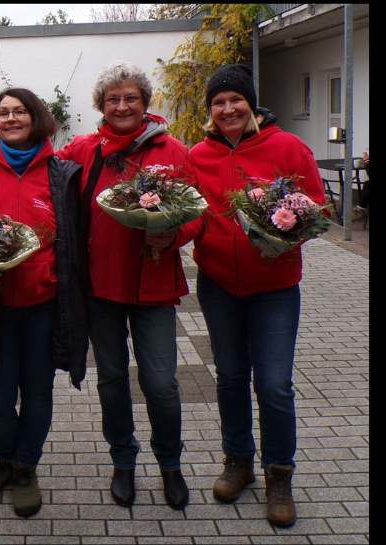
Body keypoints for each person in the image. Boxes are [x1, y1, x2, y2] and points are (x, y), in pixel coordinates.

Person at [173, 64, 327, 527]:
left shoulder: (286, 147)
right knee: (231, 377)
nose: (227, 109)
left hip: (275, 289)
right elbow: (195, 215)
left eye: (235, 100)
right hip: (219, 284)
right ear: (210, 111)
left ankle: (279, 473)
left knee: (274, 384)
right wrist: (166, 234)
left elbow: (314, 205)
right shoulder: (198, 155)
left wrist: (287, 236)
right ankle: (238, 460)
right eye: (218, 103)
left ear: (251, 104)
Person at [0, 88, 88, 517]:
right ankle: (4, 458)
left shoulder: (63, 175)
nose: (10, 119)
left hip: (45, 306)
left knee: (38, 390)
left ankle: (26, 467)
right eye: (3, 113)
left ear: (35, 117)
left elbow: (78, 239)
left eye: (19, 111)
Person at [57, 62, 190, 510]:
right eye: (113, 99)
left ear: (145, 103)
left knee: (161, 383)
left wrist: (174, 235)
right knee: (112, 380)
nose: (121, 105)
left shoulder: (172, 151)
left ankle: (170, 465)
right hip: (101, 289)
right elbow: (44, 173)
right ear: (100, 105)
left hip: (155, 288)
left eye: (130, 97)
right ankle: (123, 462)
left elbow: (198, 212)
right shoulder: (83, 150)